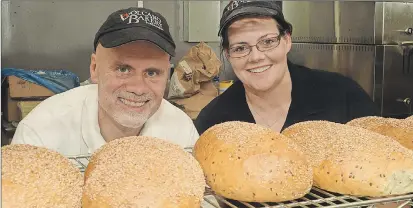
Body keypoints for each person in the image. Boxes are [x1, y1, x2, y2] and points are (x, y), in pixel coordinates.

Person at [11, 7, 199, 156]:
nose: (138, 88)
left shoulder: (181, 132)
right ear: (94, 68)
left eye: (152, 73)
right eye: (123, 69)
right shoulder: (41, 132)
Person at [195, 0, 380, 135]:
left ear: (287, 40)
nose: (256, 57)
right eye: (240, 48)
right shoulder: (213, 121)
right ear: (228, 55)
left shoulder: (345, 97)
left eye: (267, 41)